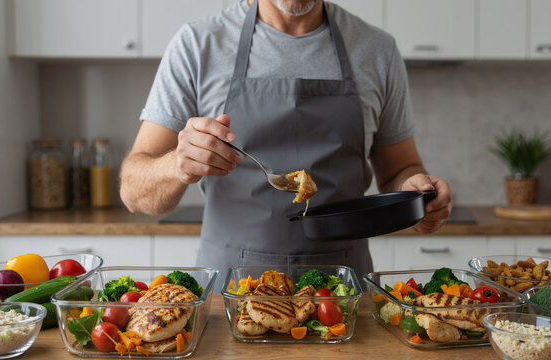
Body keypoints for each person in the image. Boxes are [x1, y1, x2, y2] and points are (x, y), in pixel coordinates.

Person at [120, 0, 452, 284]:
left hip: (341, 296)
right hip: (230, 295)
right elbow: (134, 193)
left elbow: (400, 167)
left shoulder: (377, 50)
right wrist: (179, 165)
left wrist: (416, 189)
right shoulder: (198, 44)